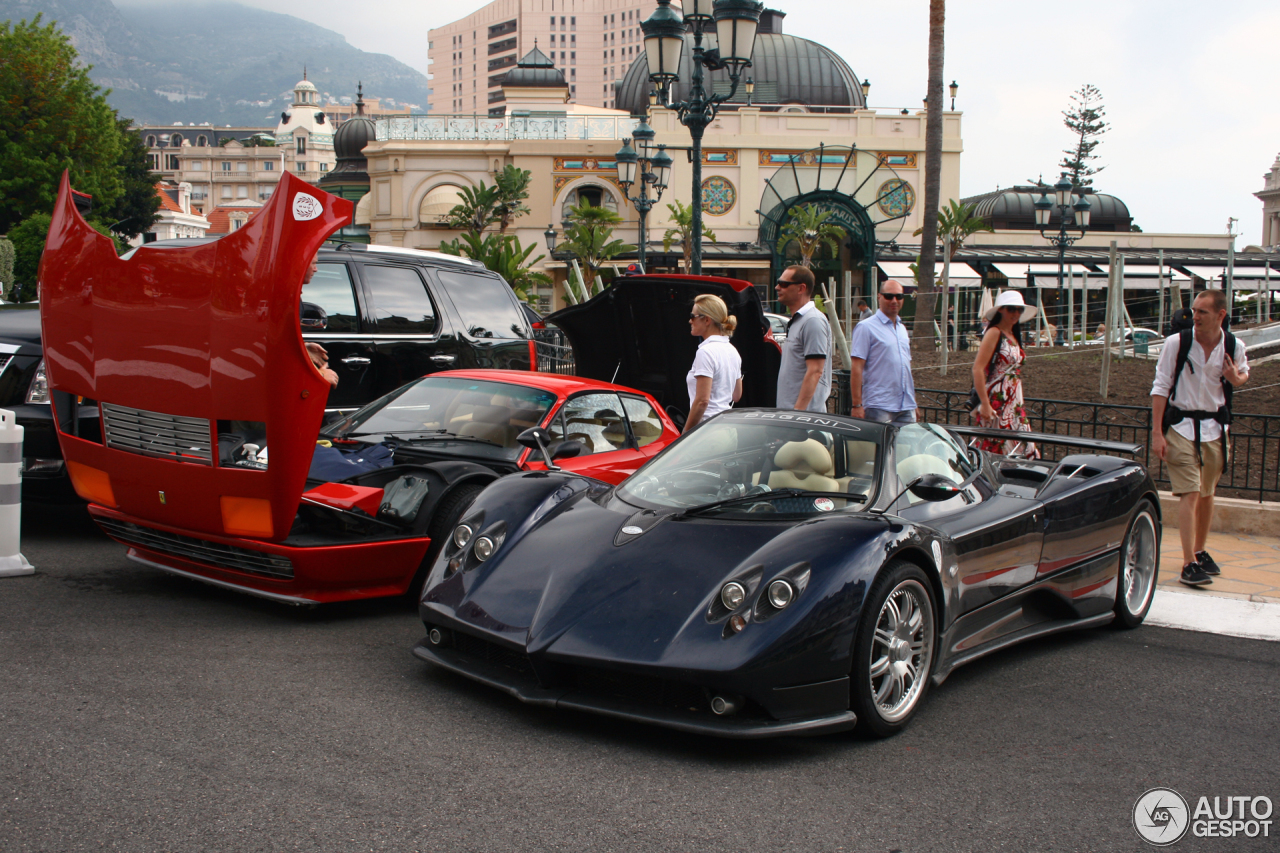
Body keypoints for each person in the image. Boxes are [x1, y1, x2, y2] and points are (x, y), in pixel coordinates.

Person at [1151, 289, 1249, 587]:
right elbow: (1161, 386)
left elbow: (1243, 374)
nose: (1195, 316)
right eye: (1194, 310)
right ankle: (1187, 563)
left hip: (1215, 430)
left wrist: (1236, 379)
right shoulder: (1177, 343)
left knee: (1207, 494)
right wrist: (1157, 432)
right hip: (1180, 427)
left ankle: (1200, 550)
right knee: (1190, 492)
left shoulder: (1234, 345)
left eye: (1202, 312)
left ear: (1220, 315)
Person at [972, 290, 1038, 457]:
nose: (1016, 313)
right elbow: (978, 368)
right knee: (998, 444)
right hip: (998, 396)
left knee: (1020, 444)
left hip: (1014, 398)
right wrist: (985, 404)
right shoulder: (995, 332)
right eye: (1011, 309)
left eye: (1019, 310)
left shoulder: (1013, 335)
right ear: (1001, 309)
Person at [849, 279, 917, 425]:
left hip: (906, 406)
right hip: (878, 405)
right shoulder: (866, 327)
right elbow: (856, 367)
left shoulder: (902, 329)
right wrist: (857, 405)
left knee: (906, 447)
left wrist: (913, 402)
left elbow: (906, 367)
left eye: (899, 297)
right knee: (879, 448)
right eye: (889, 296)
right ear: (879, 297)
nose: (894, 300)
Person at [774, 265, 831, 412]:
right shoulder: (798, 320)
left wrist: (798, 412)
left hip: (804, 419)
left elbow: (815, 370)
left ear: (801, 288)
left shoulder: (813, 321)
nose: (777, 287)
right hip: (793, 416)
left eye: (784, 284)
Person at [685, 294, 743, 432]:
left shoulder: (705, 352)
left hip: (707, 430)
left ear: (706, 320)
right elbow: (736, 395)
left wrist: (685, 433)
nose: (690, 321)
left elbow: (702, 401)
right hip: (728, 428)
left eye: (693, 316)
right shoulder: (733, 351)